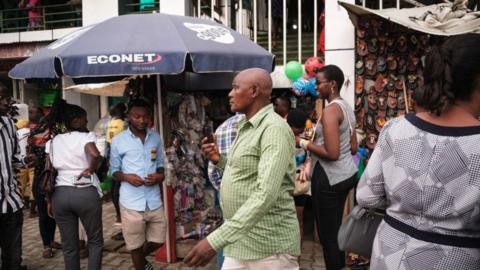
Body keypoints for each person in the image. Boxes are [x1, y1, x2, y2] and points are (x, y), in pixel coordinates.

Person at [357, 34, 480, 269]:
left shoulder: (396, 128)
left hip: (390, 252)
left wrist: (408, 204)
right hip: (452, 259)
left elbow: (366, 196)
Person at [185, 68, 301, 269]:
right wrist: (219, 160)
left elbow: (265, 193)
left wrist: (215, 240)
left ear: (254, 91)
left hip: (269, 249)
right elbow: (247, 168)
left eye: (235, 88)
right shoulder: (245, 125)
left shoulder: (274, 129)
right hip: (240, 243)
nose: (229, 94)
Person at [296, 65, 357, 270]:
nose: (315, 86)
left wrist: (302, 142)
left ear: (332, 85)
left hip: (330, 178)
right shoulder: (346, 107)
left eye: (318, 82)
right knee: (335, 230)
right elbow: (354, 147)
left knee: (327, 236)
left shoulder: (331, 111)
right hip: (346, 174)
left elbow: (332, 153)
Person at [45, 99, 103, 270]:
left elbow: (49, 173)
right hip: (85, 193)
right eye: (84, 118)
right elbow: (95, 154)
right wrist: (91, 169)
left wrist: (49, 200)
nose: (87, 122)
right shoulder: (86, 136)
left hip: (60, 195)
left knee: (69, 246)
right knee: (94, 240)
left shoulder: (54, 141)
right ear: (76, 121)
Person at [109, 99, 166, 270]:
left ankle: (140, 260)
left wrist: (159, 176)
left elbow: (161, 164)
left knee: (158, 240)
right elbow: (113, 171)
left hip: (153, 199)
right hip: (131, 202)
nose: (142, 120)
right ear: (129, 116)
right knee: (135, 245)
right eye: (137, 116)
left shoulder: (155, 137)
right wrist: (127, 177)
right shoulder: (119, 141)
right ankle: (141, 263)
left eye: (145, 116)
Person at [0, 85, 34, 270]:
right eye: (3, 97)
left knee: (13, 259)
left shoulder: (8, 125)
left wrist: (24, 159)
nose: (8, 102)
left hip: (11, 201)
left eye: (8, 97)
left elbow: (13, 158)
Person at [206, 113, 245, 270]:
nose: (230, 94)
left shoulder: (223, 127)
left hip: (227, 191)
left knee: (228, 230)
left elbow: (212, 172)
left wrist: (224, 189)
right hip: (255, 194)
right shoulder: (269, 126)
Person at [286, 109, 309, 247]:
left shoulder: (305, 138)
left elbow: (311, 157)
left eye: (301, 131)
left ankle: (297, 261)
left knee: (298, 220)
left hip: (299, 184)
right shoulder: (280, 135)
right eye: (296, 131)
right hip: (284, 185)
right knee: (287, 222)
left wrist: (307, 165)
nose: (298, 134)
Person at [106, 103, 127, 229]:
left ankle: (119, 216)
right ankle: (121, 217)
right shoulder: (124, 124)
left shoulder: (111, 124)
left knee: (115, 190)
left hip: (114, 160)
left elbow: (108, 144)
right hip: (122, 162)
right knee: (118, 191)